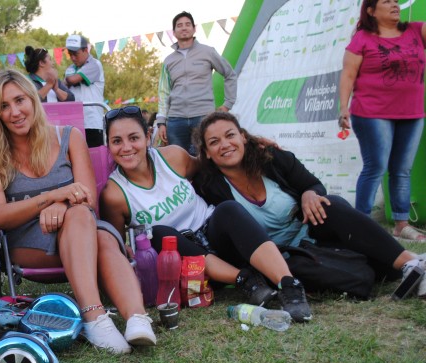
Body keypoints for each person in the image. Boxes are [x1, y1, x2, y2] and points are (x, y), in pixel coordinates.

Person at [0, 69, 156, 354]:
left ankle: (135, 319)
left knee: (87, 222)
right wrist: (51, 197)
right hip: (30, 242)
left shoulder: (69, 137)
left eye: (19, 100)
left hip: (82, 229)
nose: (15, 112)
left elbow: (87, 198)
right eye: (4, 106)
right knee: (97, 233)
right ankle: (95, 315)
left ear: (33, 99)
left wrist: (62, 204)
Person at [99, 106, 312, 322]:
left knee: (228, 209)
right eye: (117, 141)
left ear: (147, 137)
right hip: (188, 267)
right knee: (159, 234)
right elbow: (116, 247)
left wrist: (253, 144)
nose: (126, 147)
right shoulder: (114, 194)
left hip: (217, 236)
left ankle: (289, 285)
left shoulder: (172, 157)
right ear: (108, 145)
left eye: (134, 138)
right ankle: (245, 280)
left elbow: (212, 159)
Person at [194, 111, 426, 299]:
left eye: (230, 135)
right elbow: (177, 168)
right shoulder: (207, 185)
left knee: (331, 204)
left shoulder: (271, 158)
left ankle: (411, 263)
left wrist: (309, 194)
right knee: (372, 273)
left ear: (243, 136)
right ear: (207, 152)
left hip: (311, 234)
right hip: (279, 258)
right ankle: (395, 266)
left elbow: (313, 184)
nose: (225, 144)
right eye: (214, 142)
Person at [339, 0, 426, 242]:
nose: (394, 5)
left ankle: (401, 225)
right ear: (371, 11)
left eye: (396, 1)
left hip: (412, 113)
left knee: (401, 170)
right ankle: (361, 226)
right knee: (376, 167)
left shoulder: (416, 30)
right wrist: (343, 107)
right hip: (372, 113)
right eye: (387, 1)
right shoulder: (362, 39)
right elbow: (348, 74)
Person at [156, 11, 237, 155]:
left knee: (205, 159)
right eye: (179, 25)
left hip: (203, 117)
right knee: (177, 160)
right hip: (175, 120)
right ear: (174, 32)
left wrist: (228, 104)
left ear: (194, 29)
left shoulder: (208, 52)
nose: (184, 28)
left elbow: (230, 74)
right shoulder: (168, 60)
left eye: (188, 24)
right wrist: (161, 122)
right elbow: (164, 92)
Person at [63, 34, 106, 148]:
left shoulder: (95, 64)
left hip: (92, 122)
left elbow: (72, 80)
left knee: (94, 156)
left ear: (86, 50)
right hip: (73, 123)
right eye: (70, 54)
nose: (73, 58)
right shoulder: (69, 69)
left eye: (75, 54)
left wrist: (67, 80)